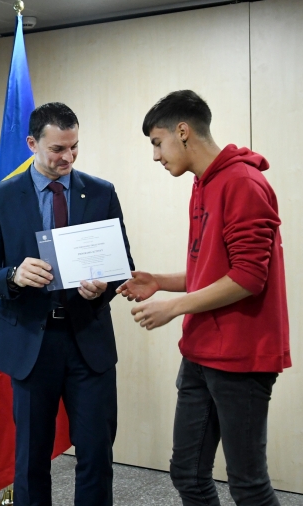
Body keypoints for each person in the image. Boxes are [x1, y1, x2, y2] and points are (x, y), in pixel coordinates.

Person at [117, 90, 290, 506]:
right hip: (200, 352)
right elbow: (212, 272)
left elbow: (248, 277)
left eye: (157, 143)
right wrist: (159, 280)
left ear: (183, 131)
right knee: (188, 474)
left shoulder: (243, 183)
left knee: (247, 484)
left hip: (241, 357)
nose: (156, 156)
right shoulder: (203, 182)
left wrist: (172, 307)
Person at [0, 102, 134, 506]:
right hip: (30, 343)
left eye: (74, 147)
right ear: (32, 144)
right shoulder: (0, 198)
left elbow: (122, 264)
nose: (68, 157)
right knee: (30, 460)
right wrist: (13, 276)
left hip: (88, 342)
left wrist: (104, 287)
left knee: (96, 454)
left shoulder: (100, 192)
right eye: (58, 149)